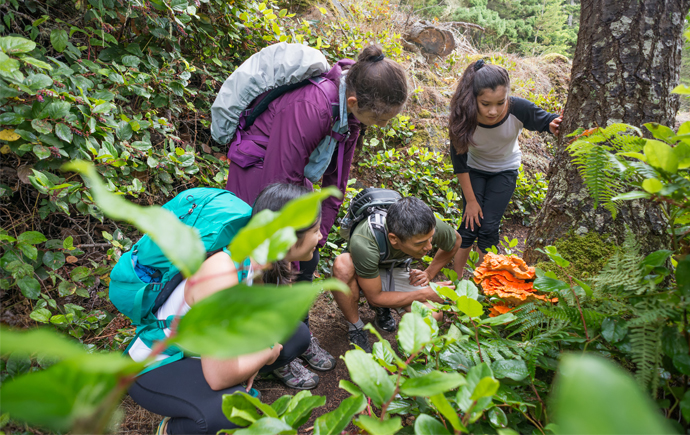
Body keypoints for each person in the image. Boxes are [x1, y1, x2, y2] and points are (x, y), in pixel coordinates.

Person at [224, 45, 408, 365]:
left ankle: (297, 337)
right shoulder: (312, 106)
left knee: (308, 260)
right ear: (354, 103)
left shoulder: (349, 114)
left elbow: (337, 180)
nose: (382, 125)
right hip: (259, 174)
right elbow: (278, 183)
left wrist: (319, 232)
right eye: (381, 119)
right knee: (271, 267)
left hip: (293, 177)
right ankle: (274, 356)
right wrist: (292, 247)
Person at [128, 183, 324, 435]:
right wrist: (266, 354)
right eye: (316, 230)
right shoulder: (223, 274)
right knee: (233, 411)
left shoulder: (262, 260)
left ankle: (217, 388)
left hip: (198, 353)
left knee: (295, 335)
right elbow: (218, 376)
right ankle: (173, 429)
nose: (320, 237)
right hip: (159, 363)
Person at [448, 60, 562, 278]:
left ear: (507, 96)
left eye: (500, 103)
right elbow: (459, 163)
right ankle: (456, 280)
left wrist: (554, 123)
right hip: (473, 170)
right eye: (485, 103)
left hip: (504, 170)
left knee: (489, 228)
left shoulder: (518, 108)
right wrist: (471, 202)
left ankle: (483, 283)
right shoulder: (463, 116)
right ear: (474, 98)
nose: (493, 111)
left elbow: (546, 120)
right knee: (469, 225)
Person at [331, 197, 462, 352]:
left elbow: (455, 241)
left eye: (430, 238)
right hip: (362, 269)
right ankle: (356, 327)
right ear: (394, 239)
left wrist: (429, 273)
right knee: (342, 265)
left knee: (433, 315)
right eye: (420, 243)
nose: (428, 246)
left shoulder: (426, 226)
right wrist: (425, 293)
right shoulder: (365, 240)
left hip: (395, 267)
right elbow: (375, 297)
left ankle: (387, 316)